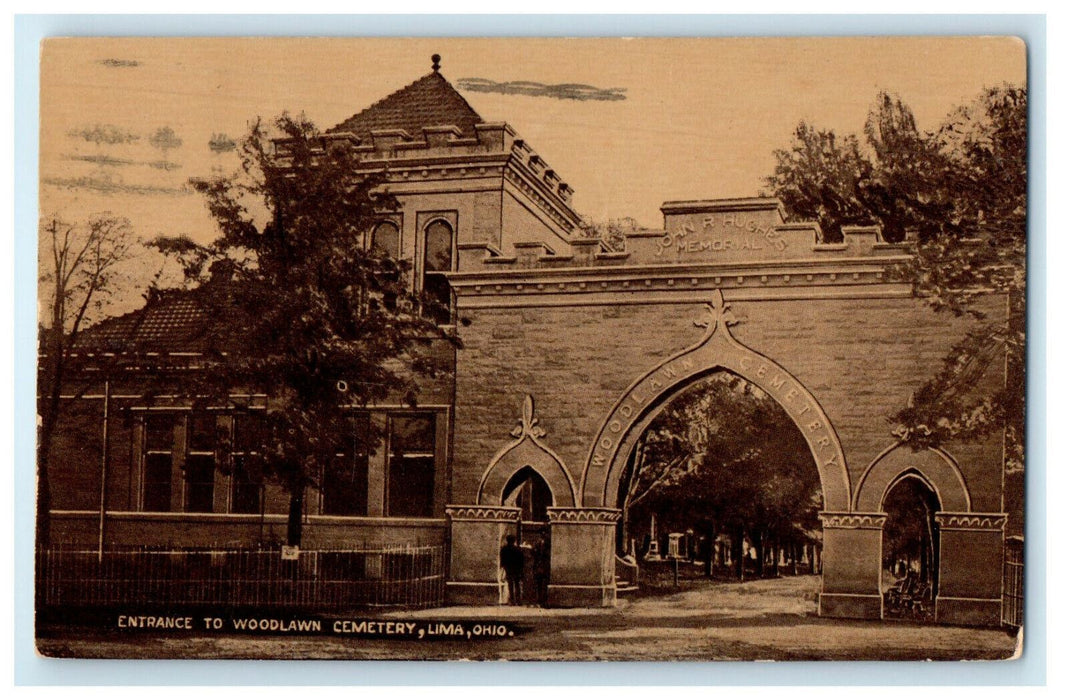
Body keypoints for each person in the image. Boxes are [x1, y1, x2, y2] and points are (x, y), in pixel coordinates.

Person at [499, 534, 525, 605]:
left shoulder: (504, 549)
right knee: (517, 585)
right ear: (514, 541)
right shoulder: (518, 549)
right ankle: (518, 601)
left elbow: (502, 559)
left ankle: (512, 601)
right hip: (517, 569)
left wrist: (502, 566)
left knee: (510, 585)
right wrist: (521, 569)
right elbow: (521, 560)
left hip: (508, 568)